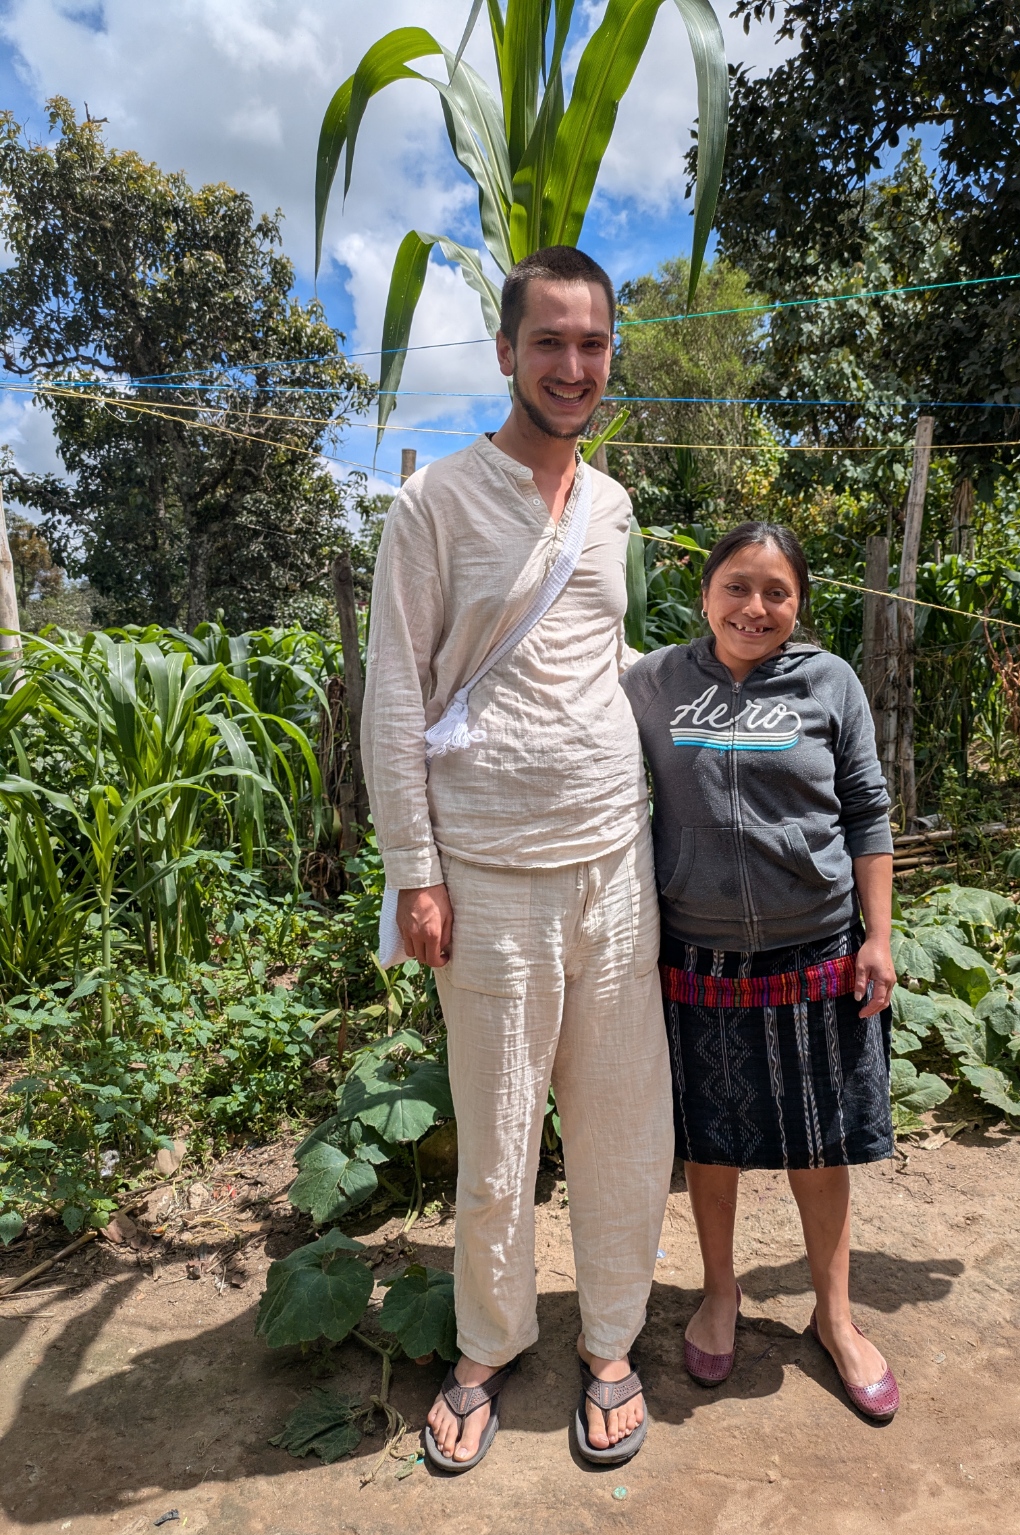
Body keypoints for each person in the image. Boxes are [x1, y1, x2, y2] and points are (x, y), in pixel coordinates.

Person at [362, 246, 673, 1470]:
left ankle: (608, 1339)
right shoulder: (432, 502)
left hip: (613, 857)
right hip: (482, 873)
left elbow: (611, 662)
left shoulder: (613, 508)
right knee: (494, 1136)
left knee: (619, 1120)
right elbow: (395, 694)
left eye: (590, 344)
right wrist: (413, 869)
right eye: (547, 341)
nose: (570, 364)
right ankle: (487, 1342)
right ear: (503, 353)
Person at [621, 521, 901, 1421]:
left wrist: (878, 935)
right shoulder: (654, 682)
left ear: (799, 604)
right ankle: (719, 1292)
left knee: (820, 1143)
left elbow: (867, 813)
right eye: (738, 586)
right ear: (705, 592)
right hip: (695, 951)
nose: (756, 607)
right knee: (712, 1136)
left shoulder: (831, 683)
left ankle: (836, 1314)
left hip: (815, 947)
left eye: (776, 592)